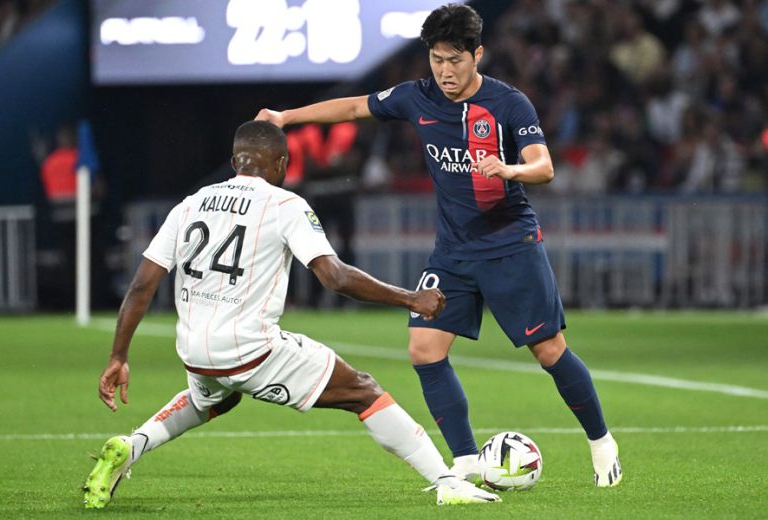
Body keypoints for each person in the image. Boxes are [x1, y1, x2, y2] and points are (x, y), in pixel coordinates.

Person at [255, 3, 622, 488]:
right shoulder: (418, 97)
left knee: (549, 350)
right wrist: (285, 117)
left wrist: (509, 169)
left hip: (510, 245)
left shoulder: (509, 103)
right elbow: (354, 107)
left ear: (477, 55)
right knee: (424, 348)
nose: (445, 71)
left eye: (455, 60)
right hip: (453, 252)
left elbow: (544, 166)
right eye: (437, 59)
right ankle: (465, 461)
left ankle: (601, 441)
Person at [83, 121, 499, 509]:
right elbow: (335, 277)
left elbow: (141, 287)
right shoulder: (284, 204)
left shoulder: (189, 205)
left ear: (234, 161)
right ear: (282, 163)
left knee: (214, 397)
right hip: (250, 349)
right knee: (363, 390)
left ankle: (131, 446)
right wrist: (410, 298)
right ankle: (447, 482)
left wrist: (118, 356)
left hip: (193, 351)